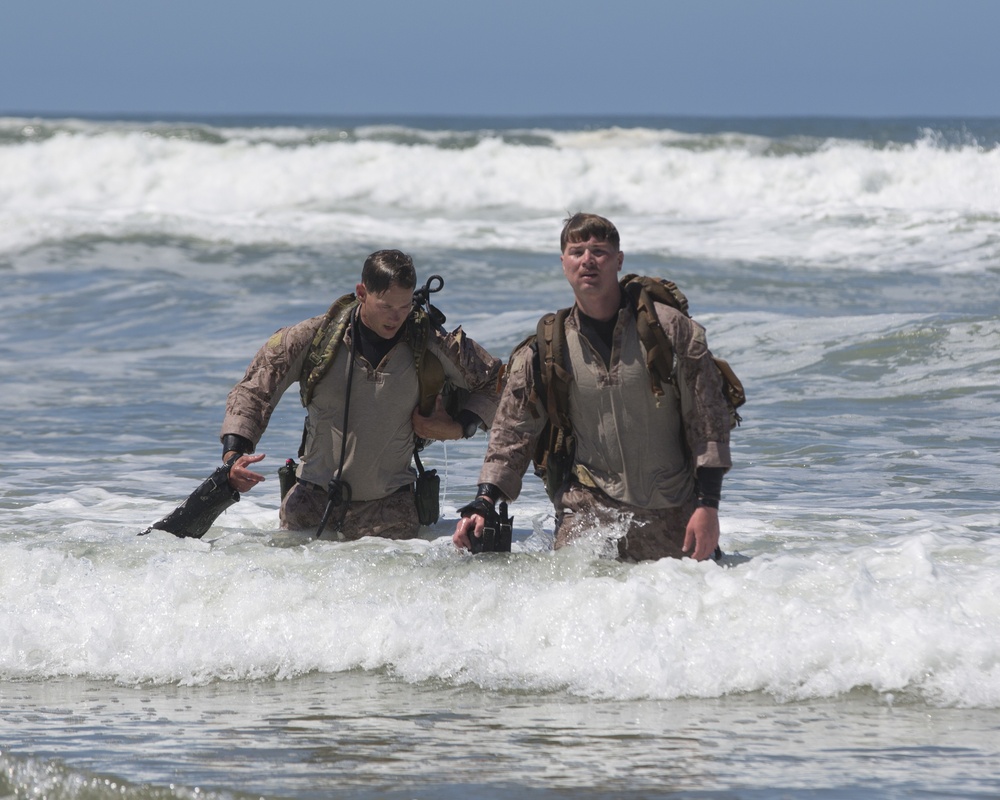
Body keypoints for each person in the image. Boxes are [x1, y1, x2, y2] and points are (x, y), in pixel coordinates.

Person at [453, 213, 733, 561]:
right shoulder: (546, 348)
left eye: (599, 250)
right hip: (588, 508)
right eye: (577, 251)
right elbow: (512, 433)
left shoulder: (670, 331)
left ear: (618, 260)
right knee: (576, 600)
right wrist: (484, 500)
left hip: (672, 509)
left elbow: (709, 422)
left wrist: (708, 507)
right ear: (563, 263)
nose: (588, 260)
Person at [222, 249, 502, 540]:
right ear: (362, 293)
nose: (396, 317)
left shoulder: (431, 341)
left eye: (405, 306)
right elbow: (254, 391)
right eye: (386, 306)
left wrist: (459, 427)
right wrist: (234, 455)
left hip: (390, 514)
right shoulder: (314, 337)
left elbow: (497, 382)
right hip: (310, 507)